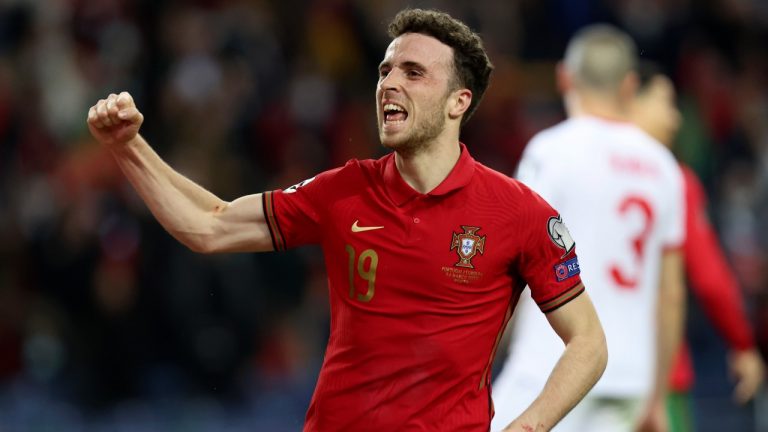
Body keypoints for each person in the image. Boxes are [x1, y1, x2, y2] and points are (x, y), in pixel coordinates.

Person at [87, 8, 607, 431]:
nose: (389, 84)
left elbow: (588, 342)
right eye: (385, 70)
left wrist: (529, 426)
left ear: (458, 103)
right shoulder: (343, 191)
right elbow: (210, 225)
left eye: (413, 72)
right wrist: (128, 146)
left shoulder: (519, 212)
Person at [491, 25, 686, 432]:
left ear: (565, 77)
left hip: (551, 365)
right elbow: (670, 294)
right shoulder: (664, 167)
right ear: (630, 85)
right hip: (630, 376)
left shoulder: (551, 151)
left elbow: (512, 259)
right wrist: (655, 396)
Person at [630, 64, 765, 432]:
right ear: (630, 98)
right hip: (659, 375)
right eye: (666, 103)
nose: (675, 119)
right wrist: (742, 342)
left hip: (581, 373)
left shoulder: (571, 167)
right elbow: (709, 277)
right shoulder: (671, 178)